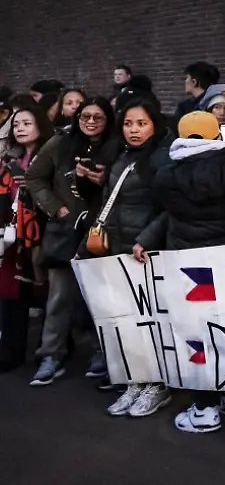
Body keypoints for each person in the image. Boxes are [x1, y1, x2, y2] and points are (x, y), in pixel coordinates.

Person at [129, 111, 225, 432]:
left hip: (190, 269)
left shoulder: (167, 175)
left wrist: (146, 238)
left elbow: (169, 213)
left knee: (197, 336)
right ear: (216, 134)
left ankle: (205, 408)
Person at [26, 97, 119, 385]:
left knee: (101, 297)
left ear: (108, 120)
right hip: (66, 230)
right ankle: (51, 355)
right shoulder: (60, 143)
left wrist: (102, 181)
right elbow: (34, 176)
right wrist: (56, 208)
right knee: (59, 296)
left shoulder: (117, 146)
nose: (90, 122)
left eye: (97, 117)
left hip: (102, 230)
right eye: (84, 116)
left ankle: (101, 352)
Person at [91, 97, 174, 418]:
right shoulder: (120, 155)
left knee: (150, 320)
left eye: (141, 123)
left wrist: (146, 239)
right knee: (126, 320)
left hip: (146, 252)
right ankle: (135, 381)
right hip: (118, 247)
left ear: (155, 124)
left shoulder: (163, 158)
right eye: (128, 124)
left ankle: (158, 384)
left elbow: (169, 208)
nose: (134, 130)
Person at [0, 105, 54, 372]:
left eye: (27, 123)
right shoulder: (10, 158)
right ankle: (11, 350)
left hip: (43, 232)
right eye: (16, 124)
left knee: (47, 294)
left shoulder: (51, 156)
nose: (20, 128)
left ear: (40, 125)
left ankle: (52, 352)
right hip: (13, 234)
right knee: (12, 294)